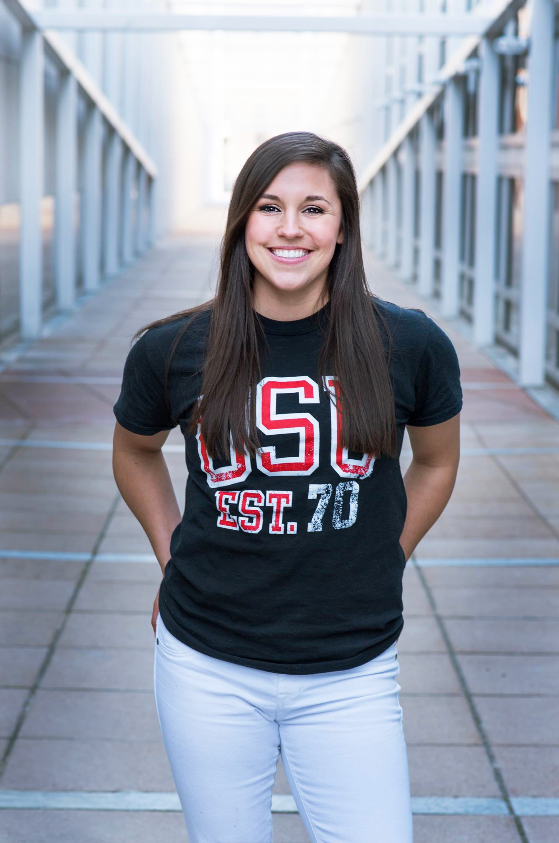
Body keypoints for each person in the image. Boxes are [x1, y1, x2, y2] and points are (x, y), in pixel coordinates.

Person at [112, 130, 462, 843]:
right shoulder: (173, 349)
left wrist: (387, 554)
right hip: (206, 662)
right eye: (270, 207)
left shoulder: (410, 345)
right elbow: (135, 452)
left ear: (343, 227)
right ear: (242, 221)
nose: (291, 229)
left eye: (314, 208)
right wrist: (172, 555)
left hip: (351, 668)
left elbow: (436, 462)